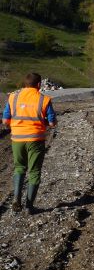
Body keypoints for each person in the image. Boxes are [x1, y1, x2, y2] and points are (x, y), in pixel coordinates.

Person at [2, 73, 57, 214]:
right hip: (35, 140)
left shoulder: (13, 97)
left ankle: (16, 198)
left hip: (17, 139)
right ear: (39, 84)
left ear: (25, 84)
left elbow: (5, 121)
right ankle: (29, 207)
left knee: (19, 168)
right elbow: (52, 123)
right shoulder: (44, 99)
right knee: (34, 172)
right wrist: (43, 122)